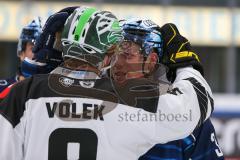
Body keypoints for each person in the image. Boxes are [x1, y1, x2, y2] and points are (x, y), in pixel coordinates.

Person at [0, 7, 213, 160]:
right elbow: (196, 103)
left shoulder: (21, 94)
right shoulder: (129, 98)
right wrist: (185, 64)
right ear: (108, 55)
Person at [111, 19, 224, 160]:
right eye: (113, 54)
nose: (116, 62)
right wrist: (185, 66)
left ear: (151, 61)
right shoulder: (188, 113)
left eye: (127, 54)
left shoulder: (191, 121)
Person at [0, 18, 42, 99]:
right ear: (21, 53)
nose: (39, 53)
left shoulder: (54, 91)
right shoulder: (2, 89)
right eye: (33, 48)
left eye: (43, 49)